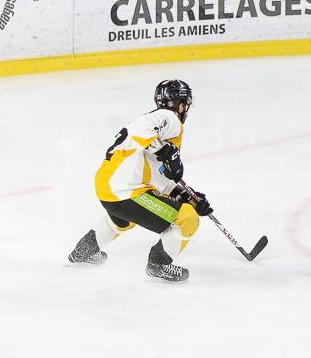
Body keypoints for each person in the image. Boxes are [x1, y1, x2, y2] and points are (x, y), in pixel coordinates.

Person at [67, 79, 213, 283]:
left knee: (123, 220)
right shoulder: (169, 118)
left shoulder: (157, 134)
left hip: (108, 186)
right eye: (185, 103)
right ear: (179, 104)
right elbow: (139, 128)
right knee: (187, 218)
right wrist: (165, 150)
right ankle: (158, 264)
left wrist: (186, 196)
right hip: (126, 191)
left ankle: (84, 250)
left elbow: (158, 177)